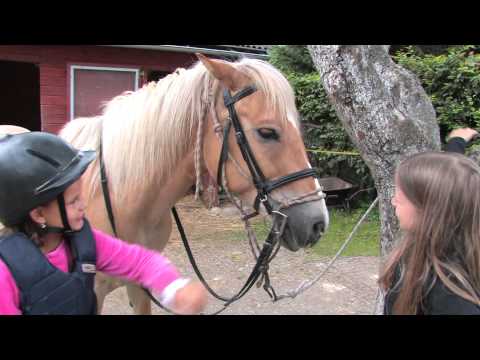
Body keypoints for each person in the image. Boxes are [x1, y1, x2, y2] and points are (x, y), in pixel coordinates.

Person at [0, 131, 208, 315]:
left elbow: (140, 261)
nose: (84, 205)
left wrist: (173, 287)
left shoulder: (82, 241)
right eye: (73, 201)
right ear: (38, 215)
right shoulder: (6, 273)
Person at [379, 151, 480, 314]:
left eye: (400, 195)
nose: (393, 201)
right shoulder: (414, 255)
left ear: (427, 209)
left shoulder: (449, 298)